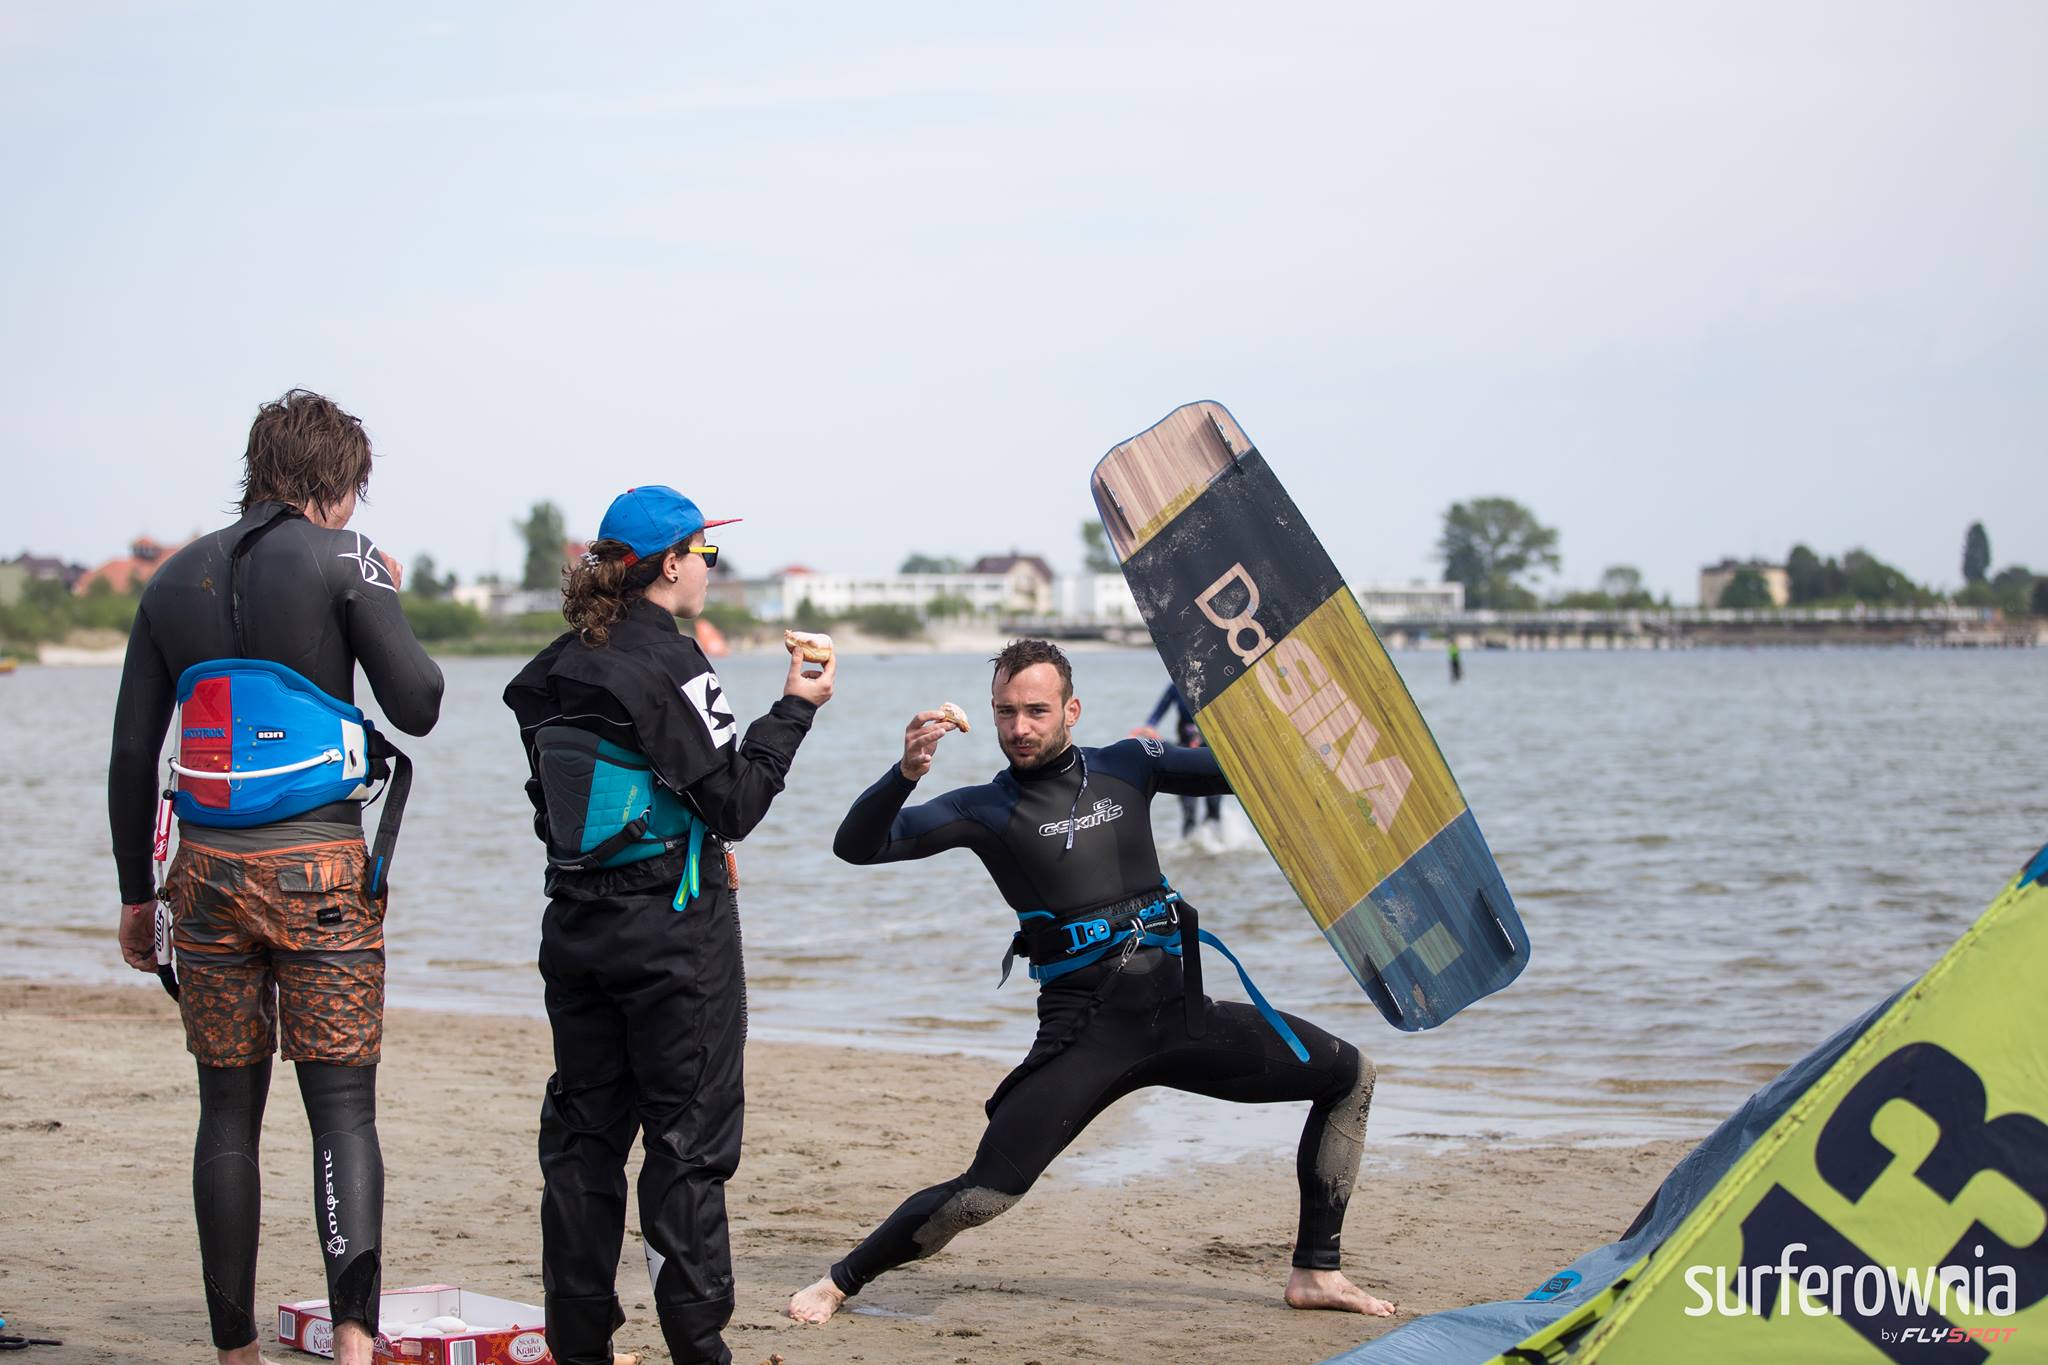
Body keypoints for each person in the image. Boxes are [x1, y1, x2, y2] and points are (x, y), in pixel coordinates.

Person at [788, 639, 1394, 1326]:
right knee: (983, 1196)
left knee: (1352, 1076)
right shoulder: (984, 809)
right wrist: (906, 771)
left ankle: (1317, 1269)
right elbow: (857, 844)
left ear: (1071, 709)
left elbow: (1242, 773)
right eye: (1006, 712)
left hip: (1183, 1013)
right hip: (1087, 1032)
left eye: (1037, 710)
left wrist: (1315, 736)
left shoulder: (1131, 765)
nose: (1020, 727)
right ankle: (840, 1280)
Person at [109, 389, 444, 1365]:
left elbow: (134, 756)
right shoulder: (348, 558)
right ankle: (350, 1345)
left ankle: (235, 1354)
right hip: (318, 866)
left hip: (202, 875)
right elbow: (417, 702)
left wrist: (139, 896)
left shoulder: (171, 579)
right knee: (340, 1112)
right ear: (338, 487)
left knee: (226, 1112)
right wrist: (378, 590)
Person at [504, 486, 835, 1365]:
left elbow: (558, 810)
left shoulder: (547, 670)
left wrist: (668, 829)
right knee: (688, 1145)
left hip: (575, 931)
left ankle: (580, 1348)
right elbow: (735, 800)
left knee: (583, 1140)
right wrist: (797, 706)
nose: (709, 571)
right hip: (670, 938)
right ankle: (699, 1349)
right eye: (706, 555)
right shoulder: (674, 659)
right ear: (671, 564)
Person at [1131, 681, 1222, 837]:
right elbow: (1159, 710)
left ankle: (1217, 845)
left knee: (1213, 806)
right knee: (1189, 809)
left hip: (1210, 752)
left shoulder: (1213, 682)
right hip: (1185, 751)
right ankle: (1189, 844)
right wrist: (1149, 726)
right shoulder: (1176, 685)